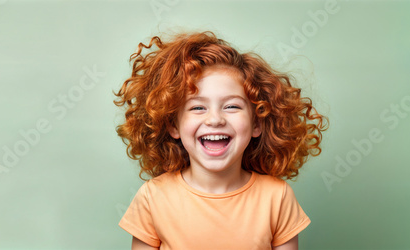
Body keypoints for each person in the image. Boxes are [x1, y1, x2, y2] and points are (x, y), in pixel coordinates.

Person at [114, 31, 328, 250]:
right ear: (173, 126)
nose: (215, 119)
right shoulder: (153, 197)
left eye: (232, 106)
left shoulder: (277, 197)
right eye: (197, 107)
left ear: (257, 124)